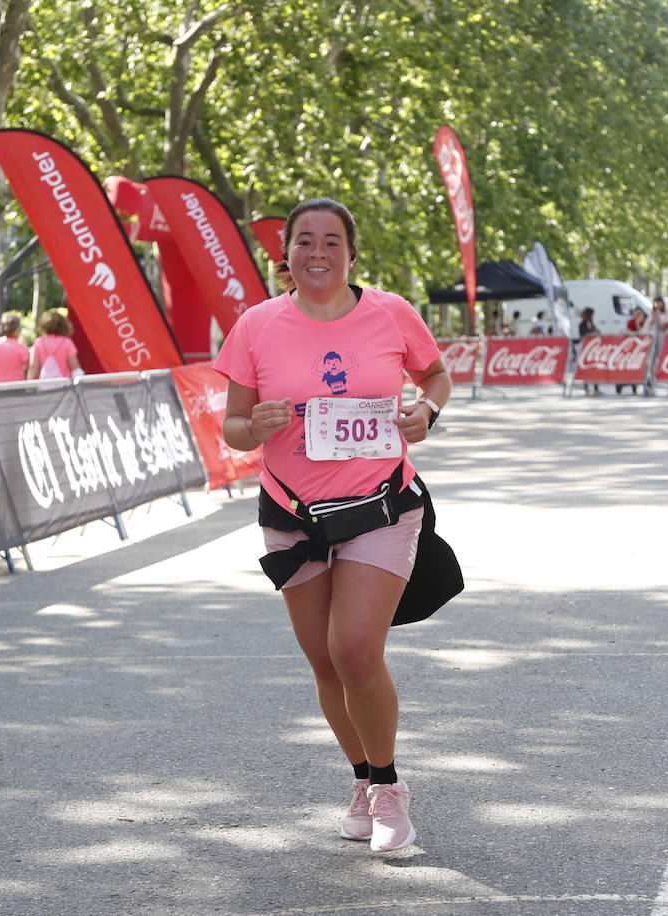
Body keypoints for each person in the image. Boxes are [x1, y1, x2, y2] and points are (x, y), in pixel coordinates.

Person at [214, 197, 451, 854]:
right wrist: (252, 426)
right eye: (304, 242)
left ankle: (391, 791)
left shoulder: (391, 313)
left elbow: (435, 377)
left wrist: (426, 411)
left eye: (331, 242)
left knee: (353, 650)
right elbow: (231, 427)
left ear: (351, 253)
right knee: (323, 660)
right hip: (292, 515)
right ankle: (362, 780)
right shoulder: (257, 325)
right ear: (284, 253)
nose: (317, 254)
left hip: (381, 507)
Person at [28, 308, 81, 380]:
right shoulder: (67, 342)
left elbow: (33, 367)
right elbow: (75, 367)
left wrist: (30, 385)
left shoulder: (39, 342)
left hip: (44, 385)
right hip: (64, 385)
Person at [577, 307, 601, 395]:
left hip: (593, 349)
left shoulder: (591, 323)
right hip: (585, 349)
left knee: (595, 369)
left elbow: (598, 331)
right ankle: (586, 387)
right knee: (586, 368)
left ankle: (596, 388)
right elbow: (583, 335)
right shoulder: (581, 324)